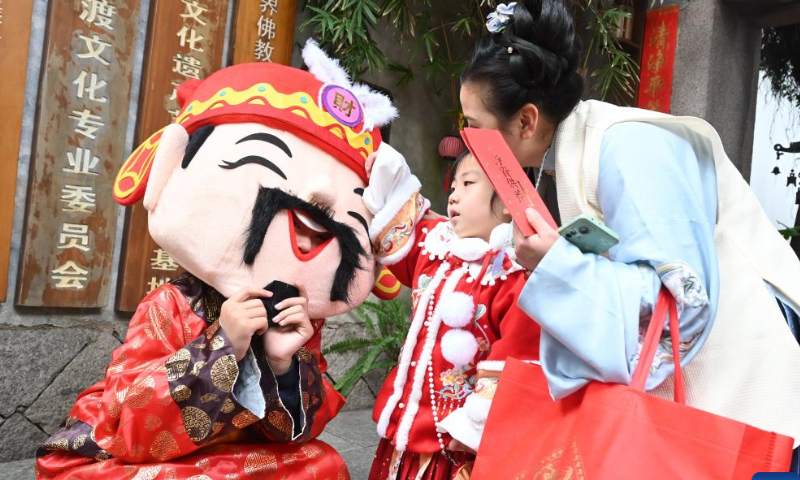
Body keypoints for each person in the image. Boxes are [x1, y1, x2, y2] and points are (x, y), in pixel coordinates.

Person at [35, 40, 402, 480]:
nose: (319, 199)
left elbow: (294, 436)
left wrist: (285, 364)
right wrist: (221, 344)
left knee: (322, 464)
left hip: (233, 454)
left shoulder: (296, 318)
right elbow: (131, 429)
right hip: (131, 453)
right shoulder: (171, 306)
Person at [460, 0, 800, 460]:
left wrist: (556, 265)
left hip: (745, 397)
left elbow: (681, 302)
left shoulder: (630, 146)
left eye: (474, 127)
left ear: (525, 120)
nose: (469, 142)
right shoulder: (567, 155)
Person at [362, 149, 541, 479]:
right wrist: (387, 175)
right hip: (405, 427)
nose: (454, 194)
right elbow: (401, 233)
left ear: (506, 203)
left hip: (455, 442)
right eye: (454, 185)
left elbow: (513, 359)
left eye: (468, 183)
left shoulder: (515, 277)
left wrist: (474, 426)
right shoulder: (436, 245)